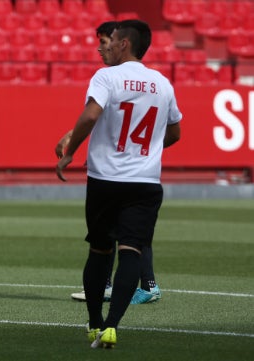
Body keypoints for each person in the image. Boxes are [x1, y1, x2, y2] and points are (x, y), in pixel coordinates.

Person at [55, 20, 182, 348]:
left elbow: (90, 116)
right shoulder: (163, 83)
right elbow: (174, 132)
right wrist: (148, 150)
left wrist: (69, 151)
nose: (105, 47)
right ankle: (113, 326)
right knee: (131, 253)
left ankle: (95, 322)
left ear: (124, 43)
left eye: (110, 41)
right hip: (145, 182)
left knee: (99, 251)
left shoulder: (107, 77)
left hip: (105, 180)